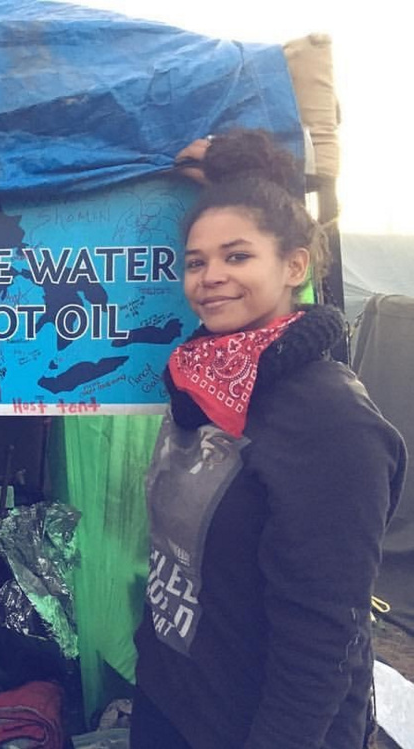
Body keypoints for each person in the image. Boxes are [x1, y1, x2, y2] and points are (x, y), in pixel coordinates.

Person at [131, 129, 407, 748]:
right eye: (197, 262)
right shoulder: (198, 380)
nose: (211, 277)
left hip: (259, 727)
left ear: (295, 265)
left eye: (237, 256)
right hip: (175, 703)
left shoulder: (332, 421)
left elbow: (324, 636)